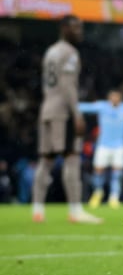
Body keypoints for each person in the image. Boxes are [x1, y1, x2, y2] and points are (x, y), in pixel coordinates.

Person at [32, 15, 102, 224]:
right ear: (64, 28)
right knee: (72, 158)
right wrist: (77, 113)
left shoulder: (51, 51)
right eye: (75, 28)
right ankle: (75, 210)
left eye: (81, 28)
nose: (79, 32)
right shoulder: (70, 53)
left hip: (47, 109)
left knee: (45, 160)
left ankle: (37, 210)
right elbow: (67, 85)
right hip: (64, 112)